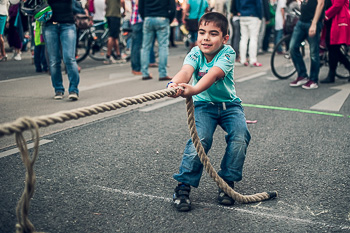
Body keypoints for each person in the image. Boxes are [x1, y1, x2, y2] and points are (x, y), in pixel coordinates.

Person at [167, 12, 251, 212]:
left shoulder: (228, 53)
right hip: (204, 106)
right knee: (201, 139)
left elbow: (213, 75)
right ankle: (183, 187)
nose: (206, 38)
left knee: (240, 135)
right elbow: (186, 71)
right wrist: (174, 83)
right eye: (202, 32)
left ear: (224, 38)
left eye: (213, 34)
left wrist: (193, 89)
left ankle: (227, 183)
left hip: (229, 106)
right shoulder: (195, 53)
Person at [43, 0, 81, 100]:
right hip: (49, 25)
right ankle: (58, 89)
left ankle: (73, 90)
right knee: (54, 60)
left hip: (68, 24)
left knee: (69, 58)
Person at [289, 0, 324, 89]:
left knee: (313, 52)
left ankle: (313, 79)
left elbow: (321, 3)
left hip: (312, 21)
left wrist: (314, 23)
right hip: (301, 21)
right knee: (293, 47)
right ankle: (302, 75)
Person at [139, 0, 176, 81]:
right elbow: (173, 7)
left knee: (145, 47)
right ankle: (163, 73)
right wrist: (169, 19)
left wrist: (145, 17)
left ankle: (145, 73)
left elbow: (140, 7)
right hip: (163, 18)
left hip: (148, 18)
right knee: (163, 46)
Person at [320, 0, 350, 83]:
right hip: (331, 22)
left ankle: (331, 75)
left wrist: (325, 15)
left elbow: (337, 5)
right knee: (333, 49)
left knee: (333, 49)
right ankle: (332, 74)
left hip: (337, 21)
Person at [236, 0, 269, 67]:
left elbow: (237, 3)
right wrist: (260, 16)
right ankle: (253, 60)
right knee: (253, 38)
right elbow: (259, 4)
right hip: (253, 15)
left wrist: (240, 11)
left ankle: (243, 59)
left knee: (243, 38)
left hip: (243, 15)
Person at [104, 0, 125, 64]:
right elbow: (122, 1)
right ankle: (108, 55)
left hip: (109, 15)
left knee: (115, 36)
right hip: (115, 15)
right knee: (112, 36)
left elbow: (105, 2)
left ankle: (118, 54)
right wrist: (123, 10)